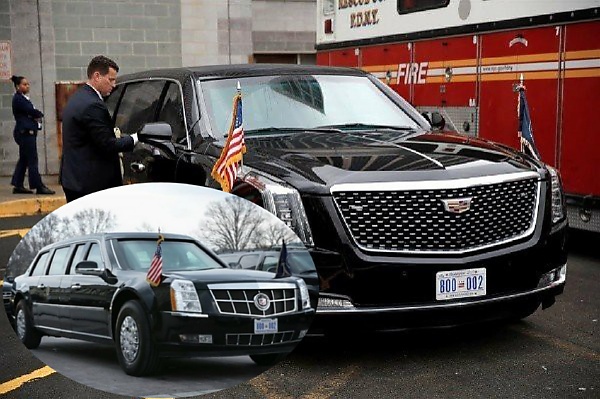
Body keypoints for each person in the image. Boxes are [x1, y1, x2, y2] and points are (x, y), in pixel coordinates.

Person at [59, 55, 138, 203]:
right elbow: (108, 145)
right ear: (97, 76)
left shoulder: (78, 97)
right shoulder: (92, 105)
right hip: (91, 186)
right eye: (111, 79)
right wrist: (135, 138)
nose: (114, 85)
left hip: (75, 180)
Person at [10, 75, 55, 195]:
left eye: (28, 84)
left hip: (26, 133)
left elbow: (31, 112)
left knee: (24, 159)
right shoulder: (19, 99)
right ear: (18, 86)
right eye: (24, 84)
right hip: (25, 134)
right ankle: (38, 186)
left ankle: (18, 185)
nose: (27, 86)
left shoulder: (24, 98)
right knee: (32, 160)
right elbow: (32, 111)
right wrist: (38, 113)